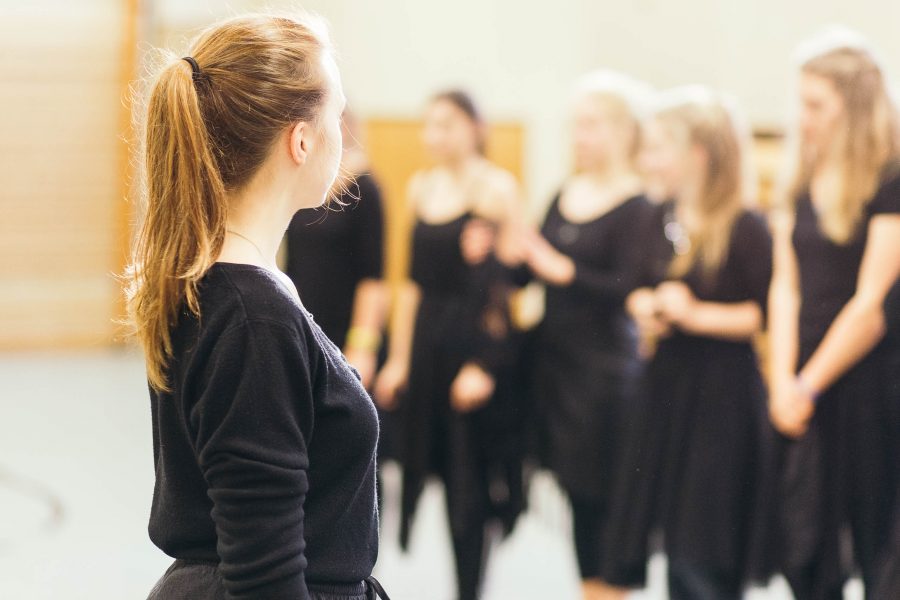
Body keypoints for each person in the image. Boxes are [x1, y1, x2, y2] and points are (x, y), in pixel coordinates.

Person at [125, 13, 389, 600]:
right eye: (337, 115)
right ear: (301, 139)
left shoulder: (235, 288)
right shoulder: (251, 318)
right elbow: (264, 573)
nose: (344, 136)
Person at [602, 86, 775, 600]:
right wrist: (649, 306)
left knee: (707, 543)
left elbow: (761, 315)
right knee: (675, 542)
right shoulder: (657, 217)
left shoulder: (747, 225)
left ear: (696, 154)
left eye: (658, 148)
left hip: (723, 399)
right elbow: (633, 289)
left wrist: (696, 314)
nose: (648, 160)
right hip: (669, 390)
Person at [373, 90, 524, 600]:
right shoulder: (420, 186)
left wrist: (485, 362)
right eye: (429, 125)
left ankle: (470, 589)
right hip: (428, 346)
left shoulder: (497, 189)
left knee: (470, 485)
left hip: (472, 348)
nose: (436, 135)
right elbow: (412, 284)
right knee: (424, 468)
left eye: (448, 124)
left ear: (475, 128)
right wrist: (397, 359)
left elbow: (507, 291)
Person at [509, 70, 652, 600]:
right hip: (555, 364)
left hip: (604, 371)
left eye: (590, 126)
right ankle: (589, 585)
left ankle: (611, 587)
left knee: (603, 494)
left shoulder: (639, 203)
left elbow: (629, 286)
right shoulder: (563, 192)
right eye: (576, 126)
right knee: (574, 491)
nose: (579, 137)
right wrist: (506, 250)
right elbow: (530, 270)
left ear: (621, 131)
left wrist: (559, 268)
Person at [767, 29, 900, 599]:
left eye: (816, 105)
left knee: (877, 548)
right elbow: (784, 288)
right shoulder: (801, 181)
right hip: (802, 387)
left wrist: (807, 384)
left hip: (867, 384)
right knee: (803, 549)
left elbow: (869, 307)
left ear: (855, 107)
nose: (804, 118)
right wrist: (779, 383)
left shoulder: (889, 182)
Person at [285, 107, 388, 390]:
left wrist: (362, 347)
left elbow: (373, 278)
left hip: (347, 328)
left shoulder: (365, 188)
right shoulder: (303, 184)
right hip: (306, 323)